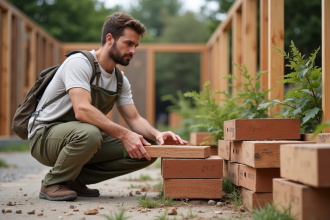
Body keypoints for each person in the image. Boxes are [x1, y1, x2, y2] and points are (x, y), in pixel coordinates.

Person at [28, 12, 187, 201]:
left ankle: (72, 179)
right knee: (90, 134)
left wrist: (157, 135)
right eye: (128, 43)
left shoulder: (120, 80)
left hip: (81, 137)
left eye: (135, 46)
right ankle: (52, 182)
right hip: (45, 137)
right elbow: (82, 110)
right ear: (110, 39)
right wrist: (124, 134)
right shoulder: (79, 63)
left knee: (147, 149)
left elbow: (134, 119)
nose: (133, 51)